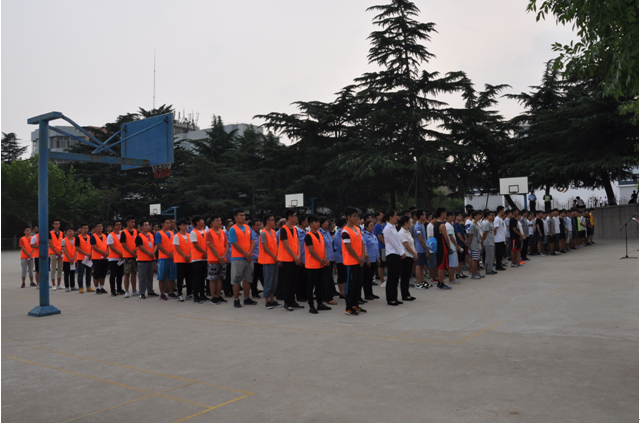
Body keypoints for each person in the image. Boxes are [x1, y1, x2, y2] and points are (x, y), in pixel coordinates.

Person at [342, 207, 368, 316]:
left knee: (358, 284)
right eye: (354, 216)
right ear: (348, 217)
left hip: (359, 261)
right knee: (351, 285)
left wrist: (363, 255)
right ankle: (348, 307)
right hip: (351, 262)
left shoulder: (357, 229)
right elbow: (348, 247)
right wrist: (358, 257)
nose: (356, 218)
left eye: (357, 215)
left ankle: (355, 305)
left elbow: (361, 243)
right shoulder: (345, 231)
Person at [228, 210, 257, 308]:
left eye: (243, 215)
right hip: (238, 257)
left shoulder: (248, 227)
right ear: (235, 217)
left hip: (249, 257)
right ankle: (236, 299)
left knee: (248, 278)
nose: (242, 217)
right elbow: (234, 243)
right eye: (240, 215)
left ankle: (246, 298)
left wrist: (249, 253)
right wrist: (245, 253)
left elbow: (252, 241)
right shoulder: (233, 229)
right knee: (236, 279)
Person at [304, 215, 331, 314]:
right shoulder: (308, 235)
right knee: (311, 286)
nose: (318, 224)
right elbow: (311, 250)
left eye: (318, 222)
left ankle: (320, 304)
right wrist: (321, 259)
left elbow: (323, 247)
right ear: (310, 224)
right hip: (312, 265)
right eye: (316, 222)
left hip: (321, 264)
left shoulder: (320, 234)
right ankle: (311, 306)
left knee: (320, 285)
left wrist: (325, 258)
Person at [277, 209, 303, 311]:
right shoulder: (283, 229)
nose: (296, 217)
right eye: (294, 216)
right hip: (287, 259)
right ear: (289, 217)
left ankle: (293, 301)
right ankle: (287, 302)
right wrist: (294, 256)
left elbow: (298, 242)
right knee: (288, 281)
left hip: (295, 258)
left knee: (294, 281)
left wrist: (298, 255)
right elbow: (286, 245)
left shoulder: (294, 229)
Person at [259, 214, 281, 309]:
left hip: (274, 260)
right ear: (267, 221)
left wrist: (277, 256)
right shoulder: (263, 233)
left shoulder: (273, 232)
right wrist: (274, 256)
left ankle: (272, 299)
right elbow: (265, 247)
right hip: (267, 260)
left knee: (274, 281)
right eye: (272, 220)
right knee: (268, 281)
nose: (274, 221)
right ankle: (267, 301)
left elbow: (276, 246)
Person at [382, 210, 404, 305]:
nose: (397, 217)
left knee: (396, 277)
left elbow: (398, 241)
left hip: (397, 254)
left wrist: (402, 252)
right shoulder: (387, 229)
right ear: (390, 217)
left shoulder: (394, 227)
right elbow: (393, 243)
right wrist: (401, 252)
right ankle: (390, 298)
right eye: (395, 215)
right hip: (391, 254)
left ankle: (395, 296)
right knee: (391, 277)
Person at [205, 214, 228, 305]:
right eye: (217, 221)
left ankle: (219, 296)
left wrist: (223, 256)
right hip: (213, 259)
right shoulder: (209, 233)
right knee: (213, 278)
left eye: (220, 221)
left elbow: (226, 245)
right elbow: (211, 246)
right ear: (212, 223)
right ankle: (213, 297)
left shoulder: (222, 232)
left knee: (220, 278)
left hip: (223, 259)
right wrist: (219, 257)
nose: (219, 222)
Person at [155, 218, 177, 301]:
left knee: (172, 276)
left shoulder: (172, 233)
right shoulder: (159, 233)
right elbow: (159, 245)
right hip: (163, 258)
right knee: (162, 276)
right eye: (166, 223)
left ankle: (171, 292)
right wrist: (168, 253)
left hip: (172, 257)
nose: (168, 224)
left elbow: (175, 244)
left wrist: (173, 253)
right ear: (162, 224)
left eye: (169, 223)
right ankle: (162, 293)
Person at [135, 221, 157, 299]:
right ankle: (142, 293)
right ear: (141, 227)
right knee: (142, 277)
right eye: (145, 225)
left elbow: (156, 245)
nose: (147, 226)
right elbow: (140, 246)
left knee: (150, 276)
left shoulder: (152, 235)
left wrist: (153, 252)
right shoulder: (139, 236)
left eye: (148, 225)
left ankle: (150, 291)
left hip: (151, 259)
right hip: (143, 259)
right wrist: (149, 253)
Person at [319, 217, 338, 305]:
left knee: (327, 278)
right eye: (325, 222)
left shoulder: (327, 232)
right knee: (327, 279)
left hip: (330, 257)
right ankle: (328, 298)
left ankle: (324, 296)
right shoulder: (319, 232)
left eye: (327, 222)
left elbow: (330, 246)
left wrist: (333, 257)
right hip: (324, 259)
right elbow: (322, 247)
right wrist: (325, 258)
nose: (327, 223)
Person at [190, 215, 208, 303]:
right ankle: (196, 296)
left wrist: (207, 253)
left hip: (205, 258)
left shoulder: (204, 231)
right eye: (202, 220)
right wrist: (205, 252)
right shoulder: (193, 232)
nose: (203, 221)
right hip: (197, 258)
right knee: (196, 278)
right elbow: (196, 245)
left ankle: (202, 294)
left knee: (202, 278)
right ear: (197, 222)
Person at [173, 218, 192, 302]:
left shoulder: (189, 235)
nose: (185, 226)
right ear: (179, 226)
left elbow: (191, 246)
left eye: (186, 225)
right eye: (183, 225)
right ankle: (180, 293)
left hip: (189, 259)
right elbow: (177, 247)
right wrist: (184, 256)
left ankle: (189, 293)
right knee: (180, 277)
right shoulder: (177, 236)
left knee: (189, 277)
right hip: (180, 259)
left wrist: (189, 255)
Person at [398, 216, 416, 301]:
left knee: (407, 276)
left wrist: (415, 252)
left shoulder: (407, 231)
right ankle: (404, 294)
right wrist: (414, 253)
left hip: (410, 256)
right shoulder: (402, 233)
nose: (410, 223)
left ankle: (407, 293)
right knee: (404, 276)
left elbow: (411, 244)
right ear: (406, 222)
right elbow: (406, 245)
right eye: (409, 221)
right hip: (406, 256)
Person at [119, 216, 139, 296]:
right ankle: (127, 291)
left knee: (134, 273)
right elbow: (123, 244)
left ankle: (134, 290)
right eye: (131, 222)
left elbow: (138, 243)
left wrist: (135, 250)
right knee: (127, 274)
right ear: (127, 222)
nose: (133, 223)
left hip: (135, 255)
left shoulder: (136, 231)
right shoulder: (124, 232)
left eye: (134, 222)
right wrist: (131, 252)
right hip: (127, 256)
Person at [362, 219, 380, 301]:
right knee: (367, 277)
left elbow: (376, 247)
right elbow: (364, 247)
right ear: (366, 227)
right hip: (368, 259)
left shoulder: (373, 235)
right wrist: (367, 259)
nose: (372, 227)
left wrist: (378, 257)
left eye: (373, 225)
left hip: (374, 259)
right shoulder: (365, 235)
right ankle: (367, 294)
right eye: (371, 225)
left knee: (371, 277)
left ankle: (371, 293)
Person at [435, 208, 452, 290]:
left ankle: (440, 282)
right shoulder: (442, 225)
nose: (446, 214)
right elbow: (446, 238)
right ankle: (440, 283)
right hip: (443, 248)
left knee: (440, 266)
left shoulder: (435, 224)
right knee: (441, 267)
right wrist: (449, 247)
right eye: (445, 213)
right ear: (442, 214)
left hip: (438, 247)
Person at [107, 220, 125, 296]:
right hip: (113, 258)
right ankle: (113, 290)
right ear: (113, 226)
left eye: (120, 224)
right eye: (117, 224)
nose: (119, 226)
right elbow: (112, 247)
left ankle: (119, 289)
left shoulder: (122, 234)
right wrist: (121, 254)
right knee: (113, 274)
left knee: (120, 274)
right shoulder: (110, 235)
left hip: (121, 258)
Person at [90, 223, 108, 295]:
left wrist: (107, 253)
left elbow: (108, 246)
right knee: (96, 273)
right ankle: (97, 288)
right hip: (97, 258)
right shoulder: (93, 236)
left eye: (101, 226)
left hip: (105, 258)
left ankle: (102, 287)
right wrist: (104, 253)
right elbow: (94, 247)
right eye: (98, 226)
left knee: (103, 273)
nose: (100, 227)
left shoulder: (105, 235)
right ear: (95, 228)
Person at [74, 223, 93, 293]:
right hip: (81, 259)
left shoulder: (89, 237)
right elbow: (77, 248)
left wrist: (91, 254)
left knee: (89, 273)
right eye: (84, 228)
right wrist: (86, 254)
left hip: (89, 258)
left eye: (87, 228)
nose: (86, 230)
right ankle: (81, 287)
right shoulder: (78, 237)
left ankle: (88, 286)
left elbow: (91, 247)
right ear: (81, 229)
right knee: (81, 273)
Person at [445, 211, 462, 284]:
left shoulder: (450, 225)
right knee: (452, 265)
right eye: (451, 216)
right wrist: (457, 246)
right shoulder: (448, 226)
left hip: (453, 247)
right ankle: (451, 279)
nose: (453, 217)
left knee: (454, 264)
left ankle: (452, 278)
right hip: (452, 247)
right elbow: (451, 237)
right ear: (447, 217)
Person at [413, 210, 429, 289]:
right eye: (424, 215)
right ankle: (419, 283)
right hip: (420, 249)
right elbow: (420, 240)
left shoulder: (421, 225)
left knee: (422, 266)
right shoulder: (418, 226)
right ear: (420, 216)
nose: (425, 216)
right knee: (419, 266)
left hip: (423, 249)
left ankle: (422, 281)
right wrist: (426, 248)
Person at [294, 215, 308, 303]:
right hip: (301, 257)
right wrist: (299, 257)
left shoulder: (307, 231)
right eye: (306, 221)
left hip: (307, 258)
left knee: (306, 278)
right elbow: (296, 245)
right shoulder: (297, 231)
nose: (307, 223)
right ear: (302, 222)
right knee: (300, 278)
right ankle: (300, 295)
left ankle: (306, 294)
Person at [249, 219, 264, 298]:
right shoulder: (251, 235)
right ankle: (254, 293)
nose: (259, 227)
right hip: (254, 260)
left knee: (262, 276)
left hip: (261, 259)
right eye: (257, 225)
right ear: (252, 226)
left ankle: (267, 291)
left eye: (259, 225)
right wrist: (256, 257)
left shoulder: (261, 234)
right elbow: (251, 248)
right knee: (254, 277)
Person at [61, 226, 78, 292]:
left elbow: (77, 250)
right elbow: (64, 250)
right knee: (66, 273)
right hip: (66, 259)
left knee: (72, 273)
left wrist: (74, 257)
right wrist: (69, 258)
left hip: (74, 259)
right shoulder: (64, 240)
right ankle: (67, 286)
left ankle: (72, 286)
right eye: (69, 231)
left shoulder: (75, 239)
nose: (71, 232)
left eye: (72, 231)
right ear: (66, 232)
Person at [333, 218, 347, 297]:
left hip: (344, 257)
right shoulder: (338, 233)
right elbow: (341, 246)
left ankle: (345, 291)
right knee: (341, 274)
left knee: (345, 275)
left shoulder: (343, 232)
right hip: (340, 257)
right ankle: (342, 292)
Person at [49, 220, 64, 290]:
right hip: (53, 252)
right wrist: (56, 252)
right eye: (56, 224)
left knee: (60, 269)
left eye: (58, 224)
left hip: (61, 253)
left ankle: (59, 284)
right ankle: (54, 284)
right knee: (53, 269)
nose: (57, 225)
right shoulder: (50, 233)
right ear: (53, 225)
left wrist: (61, 251)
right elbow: (50, 243)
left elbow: (63, 242)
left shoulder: (62, 233)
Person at [481, 211, 497, 275]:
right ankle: (488, 270)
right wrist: (483, 240)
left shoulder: (491, 223)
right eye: (492, 215)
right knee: (489, 257)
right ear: (488, 216)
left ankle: (491, 268)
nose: (493, 217)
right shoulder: (487, 223)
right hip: (488, 242)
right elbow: (484, 233)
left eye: (494, 215)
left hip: (491, 242)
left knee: (492, 257)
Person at [468, 211, 483, 279]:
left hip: (478, 243)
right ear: (474, 216)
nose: (479, 216)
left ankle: (476, 272)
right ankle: (473, 273)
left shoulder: (477, 224)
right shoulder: (473, 225)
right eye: (478, 215)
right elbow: (470, 235)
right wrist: (471, 244)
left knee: (477, 259)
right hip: (474, 244)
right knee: (474, 259)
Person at [374, 211, 387, 286]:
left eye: (383, 215)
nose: (382, 216)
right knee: (381, 264)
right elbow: (380, 237)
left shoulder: (385, 224)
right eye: (380, 215)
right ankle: (382, 281)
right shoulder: (377, 226)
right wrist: (386, 244)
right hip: (381, 247)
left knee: (386, 264)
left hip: (387, 247)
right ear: (377, 217)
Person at [454, 212, 468, 279]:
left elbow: (464, 233)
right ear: (456, 216)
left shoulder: (461, 225)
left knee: (462, 259)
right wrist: (463, 241)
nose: (461, 217)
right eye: (459, 215)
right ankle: (458, 273)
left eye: (461, 216)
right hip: (459, 243)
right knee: (459, 260)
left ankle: (461, 272)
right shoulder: (455, 225)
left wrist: (465, 239)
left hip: (463, 243)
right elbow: (458, 235)